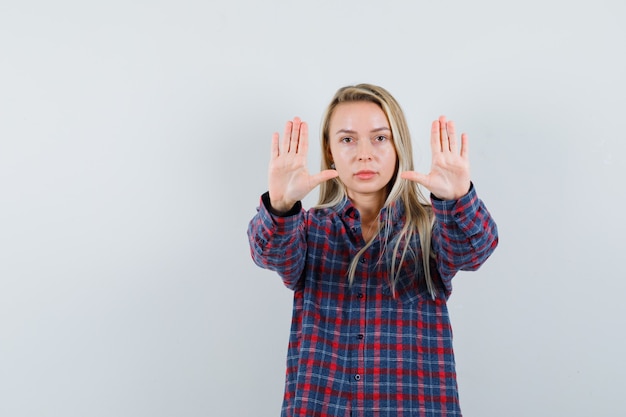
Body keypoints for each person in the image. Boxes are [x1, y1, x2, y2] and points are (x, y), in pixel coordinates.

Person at [247, 83, 498, 417]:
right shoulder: (307, 228)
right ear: (330, 148)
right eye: (348, 139)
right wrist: (280, 206)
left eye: (380, 137)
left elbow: (475, 250)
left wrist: (458, 199)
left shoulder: (433, 226)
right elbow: (270, 253)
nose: (364, 153)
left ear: (398, 145)